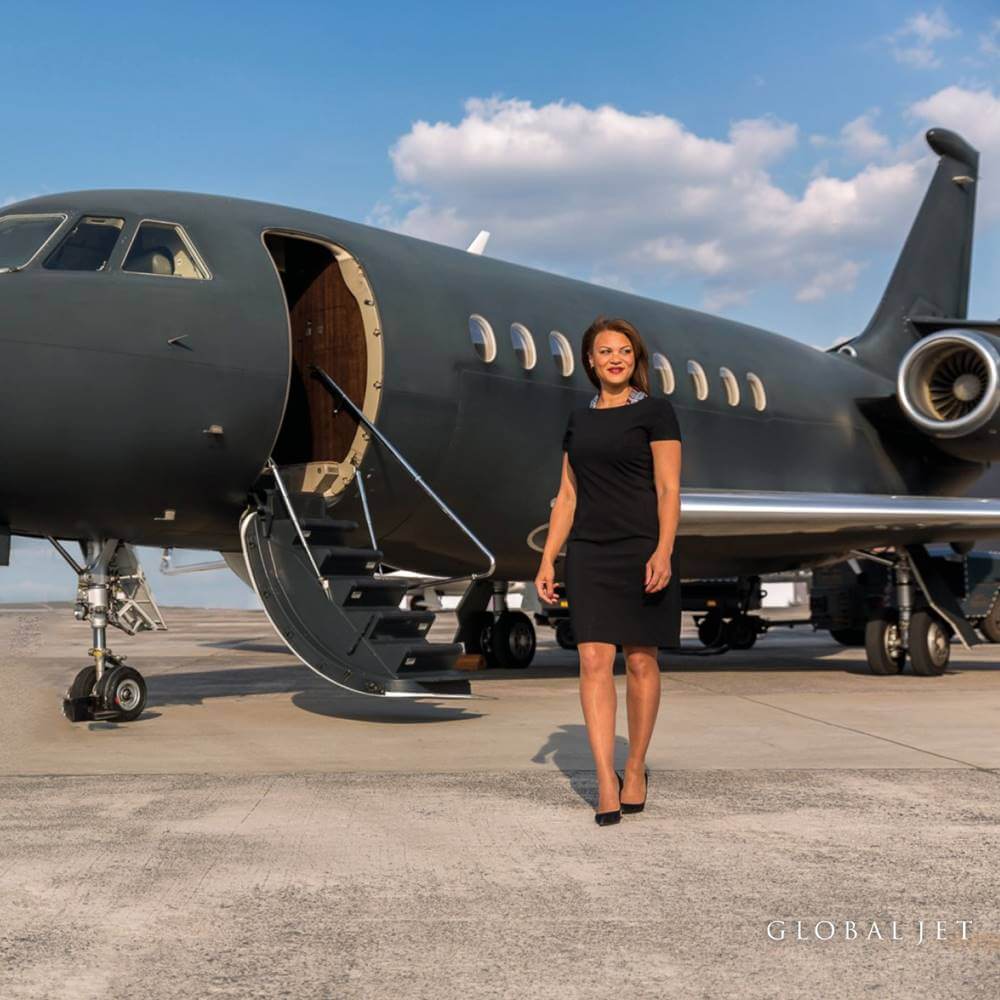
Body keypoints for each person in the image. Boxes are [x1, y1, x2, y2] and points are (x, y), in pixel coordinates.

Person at [534, 316, 683, 826]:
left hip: (642, 547)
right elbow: (567, 495)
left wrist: (663, 550)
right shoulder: (579, 419)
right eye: (605, 351)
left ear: (633, 359)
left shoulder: (656, 413)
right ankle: (604, 779)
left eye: (623, 351)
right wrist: (548, 557)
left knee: (640, 660)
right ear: (590, 361)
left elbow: (668, 489)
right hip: (589, 552)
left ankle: (635, 766)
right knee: (593, 660)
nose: (615, 359)